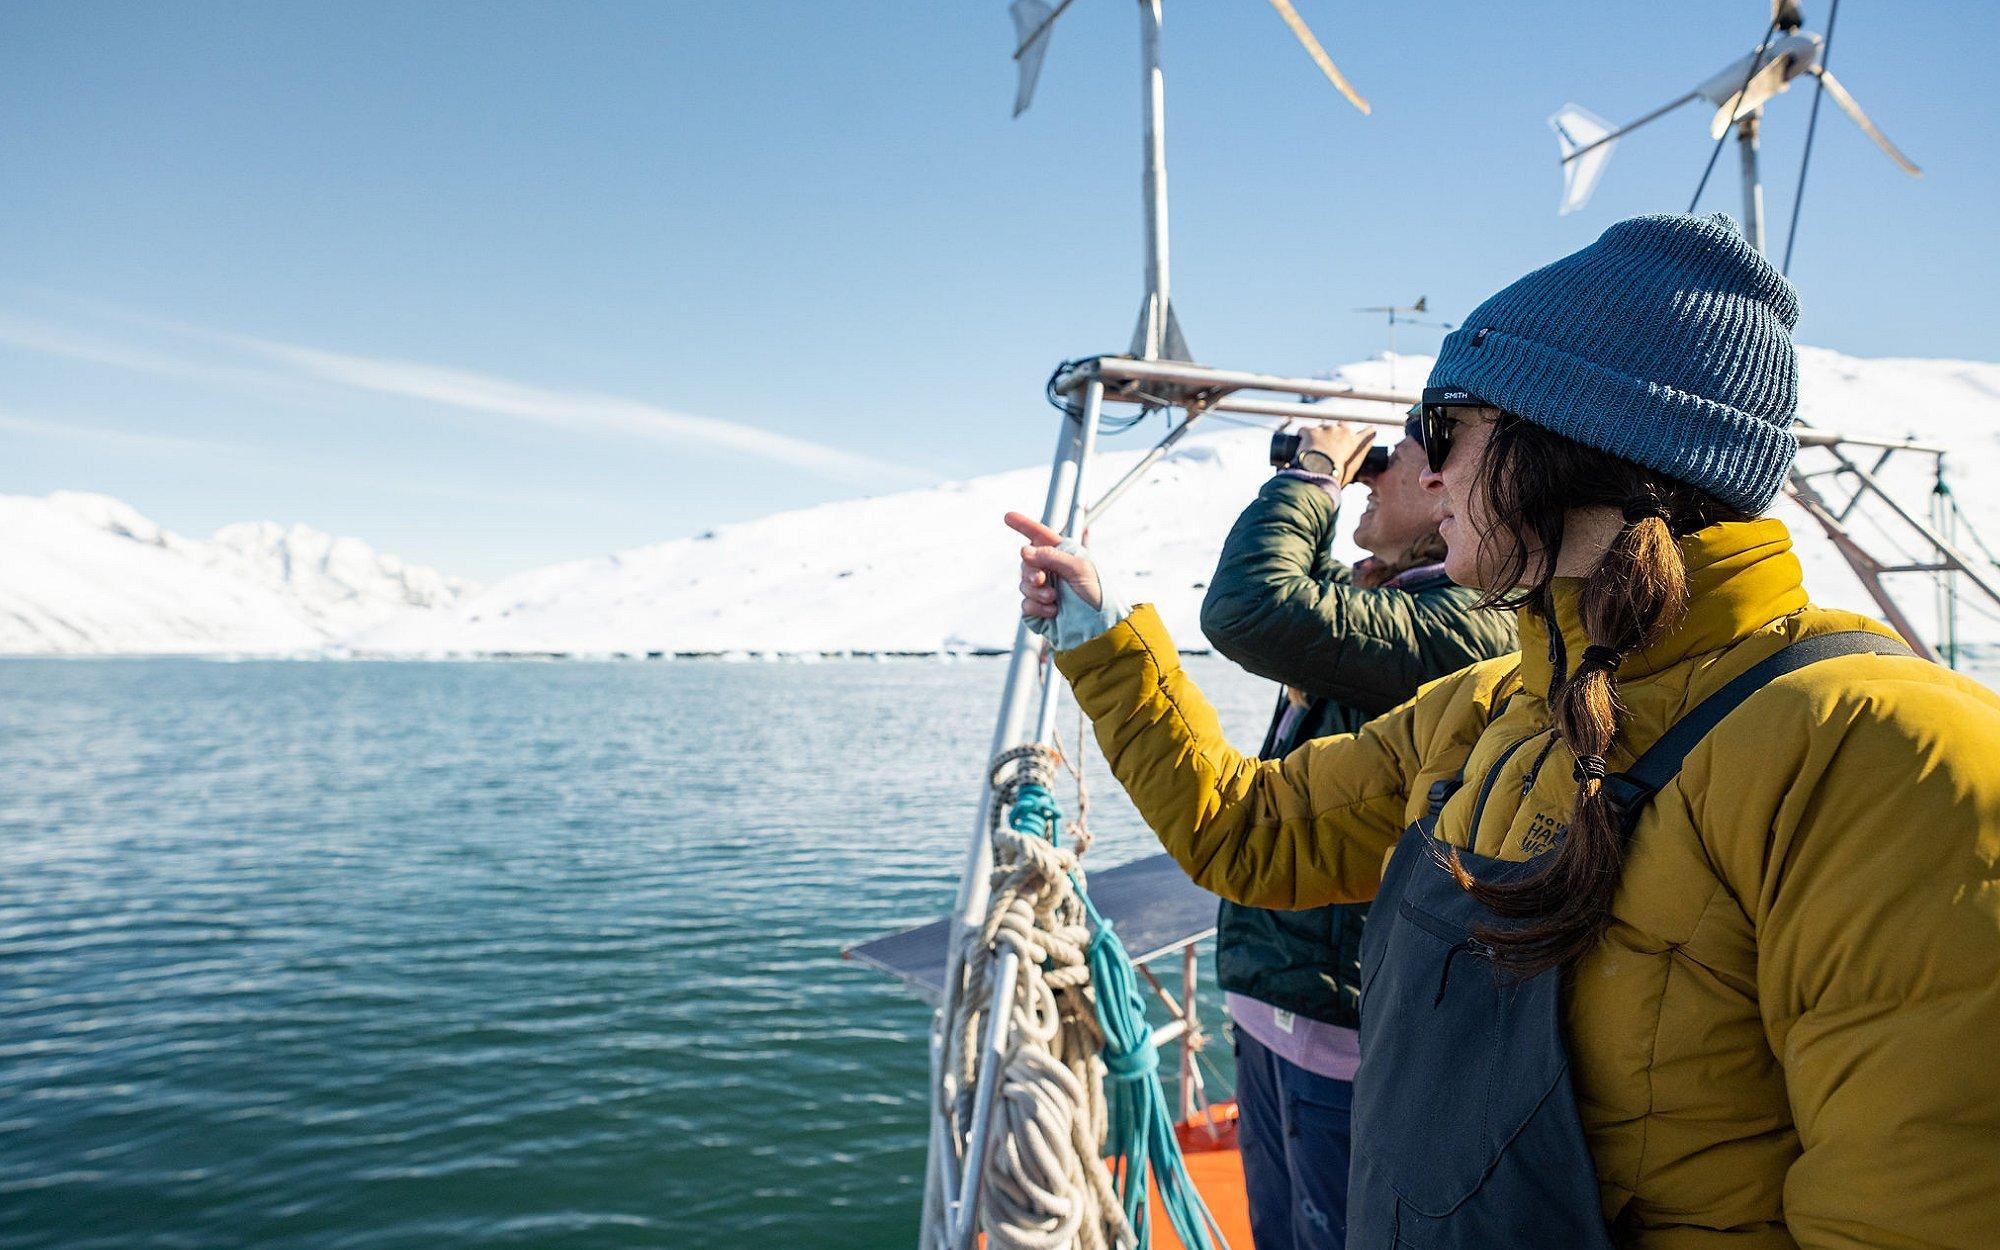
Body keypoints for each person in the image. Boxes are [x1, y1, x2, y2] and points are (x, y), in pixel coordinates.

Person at [1009, 213, 2000, 1248]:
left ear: (1568, 442)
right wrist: (1096, 630)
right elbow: (1245, 830)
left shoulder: (1884, 757)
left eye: (1443, 429)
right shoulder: (1487, 708)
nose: (1425, 473)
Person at [1199, 422, 1515, 1249]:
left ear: (1450, 489)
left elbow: (1254, 604)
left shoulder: (1469, 625)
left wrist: (1313, 478)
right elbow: (1294, 600)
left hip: (1343, 1033)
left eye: (1395, 462)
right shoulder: (1393, 604)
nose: (1369, 479)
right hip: (1282, 1001)